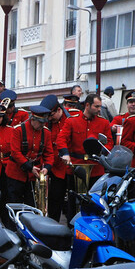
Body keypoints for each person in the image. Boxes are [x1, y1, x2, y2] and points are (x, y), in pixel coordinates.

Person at [57, 94, 114, 220]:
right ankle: (73, 228)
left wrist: (103, 153)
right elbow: (61, 138)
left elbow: (109, 142)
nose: (99, 109)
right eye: (96, 106)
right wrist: (65, 154)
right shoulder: (72, 121)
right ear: (87, 105)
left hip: (96, 168)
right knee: (74, 201)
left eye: (100, 106)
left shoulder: (104, 123)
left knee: (95, 201)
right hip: (76, 167)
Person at [5, 106, 54, 207]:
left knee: (32, 205)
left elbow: (49, 153)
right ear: (32, 119)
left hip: (33, 176)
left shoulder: (46, 132)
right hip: (16, 174)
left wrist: (47, 168)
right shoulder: (18, 130)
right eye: (40, 122)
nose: (42, 125)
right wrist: (29, 167)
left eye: (44, 122)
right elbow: (15, 152)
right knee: (14, 205)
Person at [40, 94, 77, 222]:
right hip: (56, 168)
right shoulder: (48, 123)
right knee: (54, 200)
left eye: (51, 115)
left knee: (73, 201)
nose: (49, 118)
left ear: (59, 110)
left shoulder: (72, 119)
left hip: (71, 167)